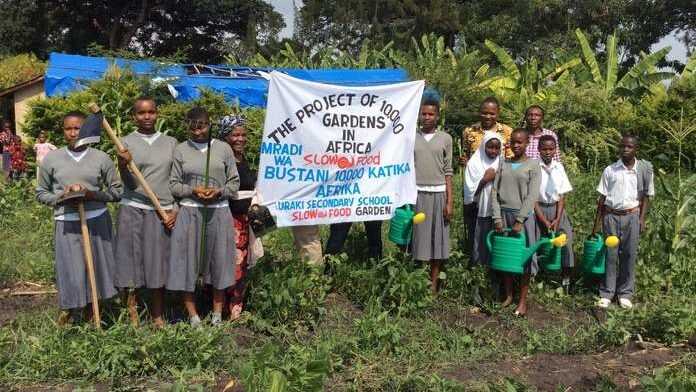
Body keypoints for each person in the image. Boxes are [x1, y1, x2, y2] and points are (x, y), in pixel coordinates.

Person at [35, 111, 121, 324]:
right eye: (68, 128)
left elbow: (117, 191)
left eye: (78, 128)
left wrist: (93, 195)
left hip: (97, 220)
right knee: (71, 269)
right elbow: (41, 192)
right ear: (63, 131)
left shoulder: (101, 157)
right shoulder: (52, 159)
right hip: (67, 221)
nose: (74, 133)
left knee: (99, 267)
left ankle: (96, 311)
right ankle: (73, 311)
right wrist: (61, 197)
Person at [167, 107, 240, 326]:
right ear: (187, 126)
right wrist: (193, 191)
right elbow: (174, 184)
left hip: (218, 211)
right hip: (190, 211)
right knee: (186, 261)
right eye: (192, 127)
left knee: (219, 259)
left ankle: (217, 314)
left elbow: (234, 183)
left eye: (202, 126)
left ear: (210, 125)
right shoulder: (181, 150)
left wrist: (219, 192)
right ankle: (193, 316)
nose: (197, 131)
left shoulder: (223, 148)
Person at [114, 97, 178, 327]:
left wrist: (175, 210)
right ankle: (132, 316)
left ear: (157, 113)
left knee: (157, 264)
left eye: (151, 112)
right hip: (133, 209)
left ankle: (157, 315)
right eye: (141, 113)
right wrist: (123, 165)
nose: (147, 117)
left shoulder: (171, 143)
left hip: (161, 211)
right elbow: (129, 184)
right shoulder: (124, 143)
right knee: (130, 261)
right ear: (134, 116)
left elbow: (178, 180)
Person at [595, 135, 654, 309]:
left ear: (636, 149)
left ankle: (625, 293)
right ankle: (607, 292)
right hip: (611, 216)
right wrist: (598, 222)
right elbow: (602, 198)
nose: (625, 149)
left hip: (632, 216)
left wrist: (641, 219)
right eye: (623, 146)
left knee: (629, 255)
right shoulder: (610, 170)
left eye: (629, 147)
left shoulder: (644, 170)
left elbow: (645, 197)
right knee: (611, 255)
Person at [491, 128, 541, 316]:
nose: (516, 145)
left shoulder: (533, 165)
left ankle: (522, 301)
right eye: (513, 142)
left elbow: (532, 195)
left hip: (524, 218)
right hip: (503, 216)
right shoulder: (503, 163)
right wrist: (496, 217)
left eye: (520, 142)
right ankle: (509, 295)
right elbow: (494, 192)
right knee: (506, 257)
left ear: (527, 143)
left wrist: (520, 220)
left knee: (525, 259)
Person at [219, 114, 262, 320]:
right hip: (228, 218)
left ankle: (235, 306)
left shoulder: (244, 159)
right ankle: (222, 306)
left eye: (243, 134)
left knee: (241, 264)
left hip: (244, 221)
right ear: (225, 136)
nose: (240, 139)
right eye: (235, 134)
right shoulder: (222, 161)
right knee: (228, 262)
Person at [459, 97, 513, 254]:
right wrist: (465, 162)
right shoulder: (469, 132)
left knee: (497, 225)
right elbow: (467, 156)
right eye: (484, 113)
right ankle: (475, 257)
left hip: (499, 187)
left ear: (498, 113)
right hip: (475, 185)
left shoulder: (507, 132)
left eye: (492, 113)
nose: (488, 116)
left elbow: (510, 158)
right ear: (479, 113)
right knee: (473, 224)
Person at [413, 91, 453, 293]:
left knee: (437, 239)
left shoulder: (445, 139)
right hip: (418, 194)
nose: (427, 117)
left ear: (437, 116)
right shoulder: (411, 137)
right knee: (419, 238)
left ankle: (434, 283)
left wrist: (449, 201)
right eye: (423, 114)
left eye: (431, 114)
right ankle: (419, 281)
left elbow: (448, 171)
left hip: (439, 194)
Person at [534, 135, 574, 292]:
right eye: (544, 149)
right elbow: (532, 198)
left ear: (555, 150)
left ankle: (566, 278)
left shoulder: (559, 167)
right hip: (538, 208)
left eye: (551, 149)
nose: (547, 152)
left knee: (565, 240)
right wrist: (543, 219)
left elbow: (562, 195)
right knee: (537, 241)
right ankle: (535, 275)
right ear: (538, 150)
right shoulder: (533, 167)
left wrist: (557, 218)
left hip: (557, 209)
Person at [465, 132, 504, 267]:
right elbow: (470, 192)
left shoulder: (503, 162)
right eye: (490, 147)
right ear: (483, 146)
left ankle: (496, 269)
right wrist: (484, 180)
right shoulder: (474, 163)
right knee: (481, 238)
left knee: (498, 239)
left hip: (499, 210)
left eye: (497, 148)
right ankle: (479, 267)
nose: (494, 151)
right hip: (480, 209)